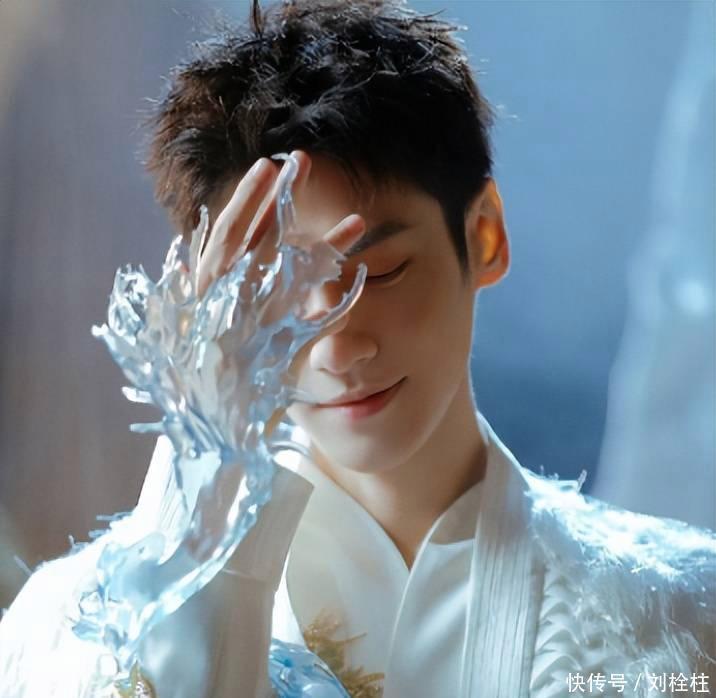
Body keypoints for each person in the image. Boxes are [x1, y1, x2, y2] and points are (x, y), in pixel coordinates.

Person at [1, 1, 714, 697]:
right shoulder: (67, 631)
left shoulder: (681, 613)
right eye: (269, 294)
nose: (336, 348)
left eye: (380, 271)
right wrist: (206, 487)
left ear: (484, 237)